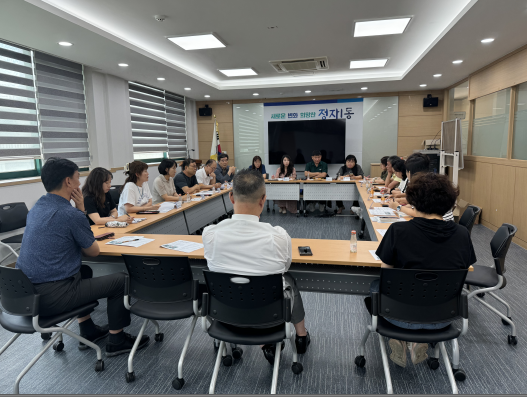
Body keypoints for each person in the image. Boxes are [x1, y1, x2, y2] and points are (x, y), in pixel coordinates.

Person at [16, 157, 149, 356]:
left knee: (84, 270)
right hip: (53, 297)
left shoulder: (36, 208)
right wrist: (81, 211)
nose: (80, 183)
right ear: (68, 182)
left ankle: (88, 330)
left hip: (23, 295)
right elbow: (93, 251)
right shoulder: (70, 214)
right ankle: (117, 339)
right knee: (121, 280)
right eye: (78, 178)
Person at [366, 173, 476, 367]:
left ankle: (400, 339)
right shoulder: (462, 235)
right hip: (443, 317)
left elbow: (386, 274)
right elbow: (463, 269)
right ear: (450, 202)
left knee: (376, 285)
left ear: (414, 200)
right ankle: (419, 341)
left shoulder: (398, 231)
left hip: (397, 315)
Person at [202, 169, 310, 364]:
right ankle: (301, 335)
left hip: (226, 317)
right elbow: (284, 268)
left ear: (231, 197)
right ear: (263, 200)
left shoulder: (210, 234)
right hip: (269, 318)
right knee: (288, 280)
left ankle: (263, 345)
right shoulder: (278, 236)